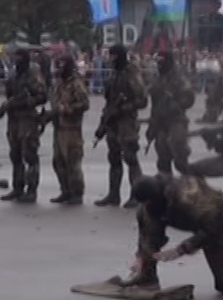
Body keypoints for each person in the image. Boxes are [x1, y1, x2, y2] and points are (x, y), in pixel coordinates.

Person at [114, 174, 223, 295]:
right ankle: (147, 278)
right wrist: (141, 258)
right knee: (147, 233)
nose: (146, 205)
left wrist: (182, 248)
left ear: (157, 195)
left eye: (148, 201)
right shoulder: (150, 204)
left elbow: (213, 229)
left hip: (222, 218)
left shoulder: (188, 198)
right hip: (196, 220)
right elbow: (149, 235)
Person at [0, 48, 48, 203]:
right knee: (15, 155)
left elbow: (42, 96)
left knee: (30, 156)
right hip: (14, 120)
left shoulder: (33, 74)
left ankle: (31, 190)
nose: (16, 59)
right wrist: (2, 109)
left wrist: (28, 102)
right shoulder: (14, 75)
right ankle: (17, 188)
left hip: (28, 120)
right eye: (15, 56)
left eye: (19, 56)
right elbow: (10, 97)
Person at [94, 44, 148, 207]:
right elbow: (109, 102)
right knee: (114, 158)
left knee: (131, 157)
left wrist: (123, 109)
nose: (109, 59)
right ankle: (113, 194)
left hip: (127, 122)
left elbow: (142, 100)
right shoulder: (114, 76)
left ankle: (137, 196)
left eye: (112, 56)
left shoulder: (131, 74)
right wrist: (103, 123)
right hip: (113, 123)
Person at [46, 55, 89, 205]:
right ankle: (65, 191)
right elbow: (53, 101)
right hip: (59, 128)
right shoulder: (58, 83)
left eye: (63, 64)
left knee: (73, 162)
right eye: (59, 64)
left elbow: (84, 104)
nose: (60, 67)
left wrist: (67, 109)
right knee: (58, 162)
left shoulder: (76, 84)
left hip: (72, 129)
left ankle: (77, 193)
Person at [146, 51, 195, 175]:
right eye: (158, 62)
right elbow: (154, 104)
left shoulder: (179, 78)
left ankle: (191, 187)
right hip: (160, 122)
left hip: (176, 120)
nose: (159, 65)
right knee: (163, 159)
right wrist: (152, 125)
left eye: (162, 62)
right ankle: (166, 189)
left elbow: (189, 99)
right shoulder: (157, 80)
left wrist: (176, 104)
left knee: (180, 158)